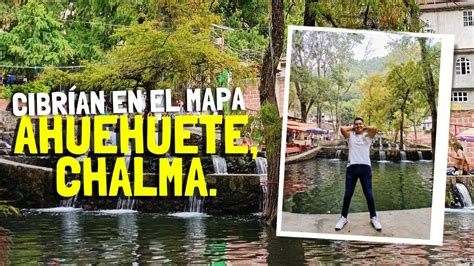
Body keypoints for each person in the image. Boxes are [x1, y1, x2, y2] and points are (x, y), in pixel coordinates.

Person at [335, 117, 382, 231]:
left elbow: (375, 128)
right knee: (348, 194)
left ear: (364, 125)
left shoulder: (368, 137)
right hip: (352, 168)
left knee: (369, 194)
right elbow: (342, 129)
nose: (358, 125)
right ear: (353, 125)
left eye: (360, 124)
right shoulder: (350, 137)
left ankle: (373, 218)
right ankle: (343, 218)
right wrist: (354, 128)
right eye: (356, 124)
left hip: (365, 168)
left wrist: (363, 128)